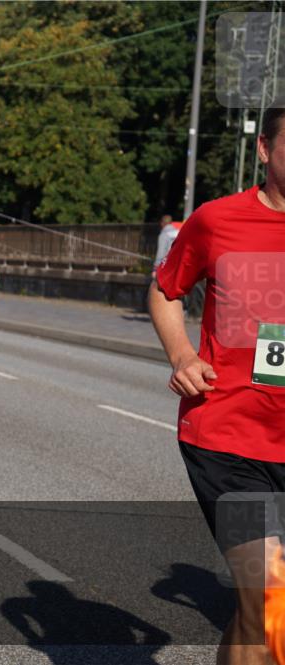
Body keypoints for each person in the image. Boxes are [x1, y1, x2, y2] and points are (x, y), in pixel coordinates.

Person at [148, 103, 285, 665]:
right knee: (270, 596)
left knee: (255, 611)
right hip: (228, 440)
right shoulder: (217, 220)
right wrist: (182, 355)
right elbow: (165, 290)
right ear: (265, 150)